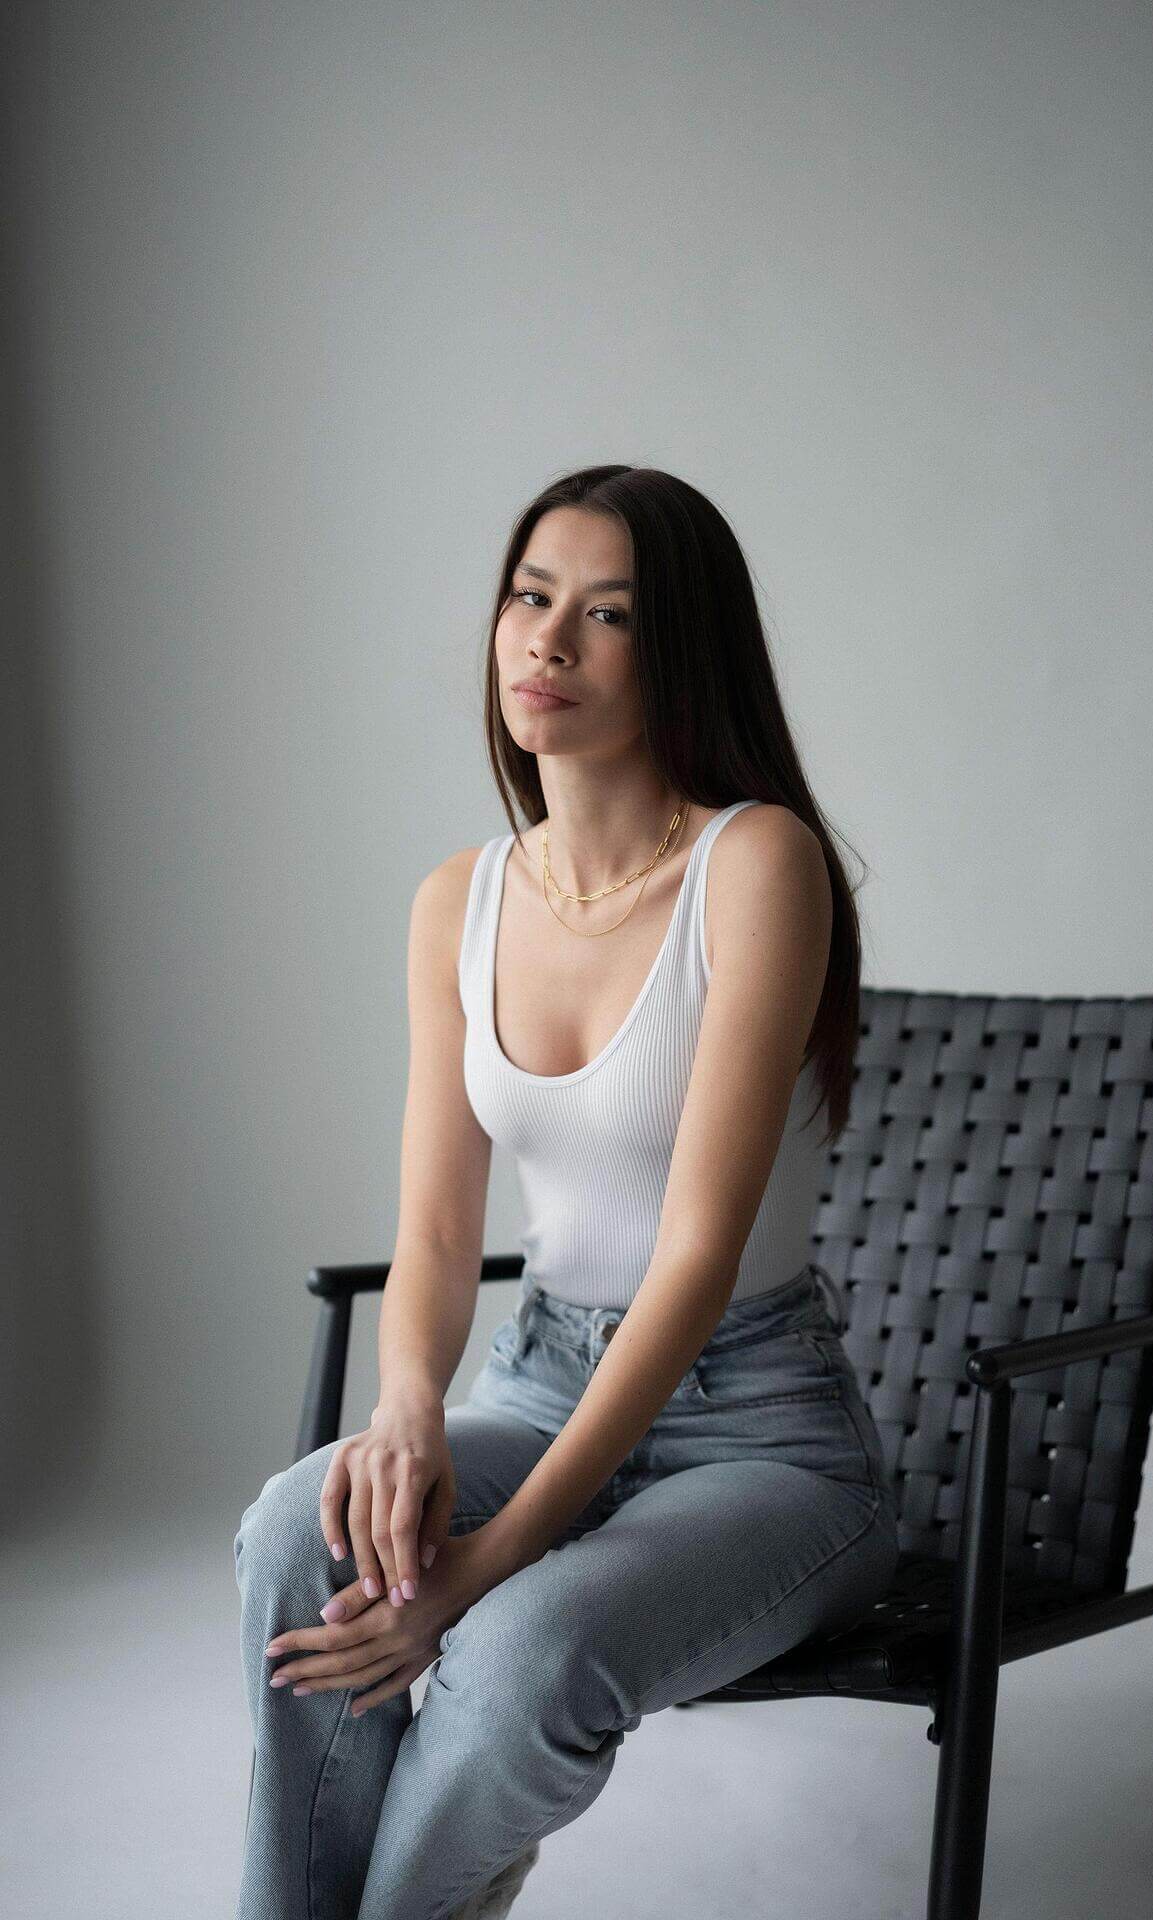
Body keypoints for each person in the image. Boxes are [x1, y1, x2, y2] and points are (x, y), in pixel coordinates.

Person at [233, 464, 900, 1920]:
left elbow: (700, 1256)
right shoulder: (458, 900)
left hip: (762, 1438)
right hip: (537, 1383)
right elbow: (433, 1226)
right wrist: (407, 1412)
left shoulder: (756, 865)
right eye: (532, 599)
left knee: (518, 1654)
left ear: (680, 660)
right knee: (299, 1531)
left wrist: (481, 1562)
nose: (549, 642)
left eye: (607, 617)